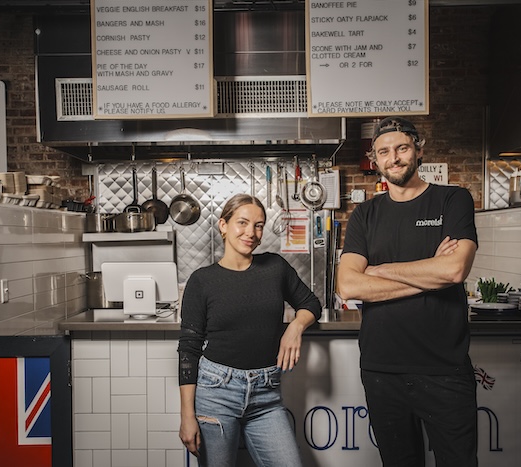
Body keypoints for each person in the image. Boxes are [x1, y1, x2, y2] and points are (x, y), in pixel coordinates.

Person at [336, 117, 479, 467]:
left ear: (418, 149)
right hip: (382, 370)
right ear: (375, 158)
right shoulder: (365, 215)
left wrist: (381, 270)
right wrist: (428, 270)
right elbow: (349, 285)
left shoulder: (453, 200)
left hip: (445, 369)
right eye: (384, 151)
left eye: (401, 148)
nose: (394, 157)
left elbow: (454, 269)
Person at [178, 193, 322, 466]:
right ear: (223, 225)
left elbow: (310, 303)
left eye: (258, 225)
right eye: (242, 223)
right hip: (216, 392)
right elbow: (188, 350)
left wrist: (295, 326)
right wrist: (187, 416)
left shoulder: (275, 267)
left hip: (266, 393)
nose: (252, 233)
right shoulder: (202, 281)